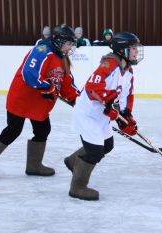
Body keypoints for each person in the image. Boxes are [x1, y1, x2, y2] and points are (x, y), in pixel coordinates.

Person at [0, 24, 80, 181]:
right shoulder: (42, 51)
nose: (70, 47)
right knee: (13, 130)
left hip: (39, 103)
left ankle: (34, 166)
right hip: (22, 98)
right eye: (68, 43)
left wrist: (77, 100)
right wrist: (48, 87)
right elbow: (29, 74)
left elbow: (66, 84)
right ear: (59, 41)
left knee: (43, 130)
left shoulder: (62, 58)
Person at [64, 32, 144, 201]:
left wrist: (126, 115)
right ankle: (77, 187)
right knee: (95, 152)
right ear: (122, 50)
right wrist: (108, 102)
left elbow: (127, 95)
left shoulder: (128, 71)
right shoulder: (109, 64)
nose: (137, 52)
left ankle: (73, 161)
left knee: (107, 145)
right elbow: (93, 87)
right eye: (133, 49)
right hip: (88, 113)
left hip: (102, 115)